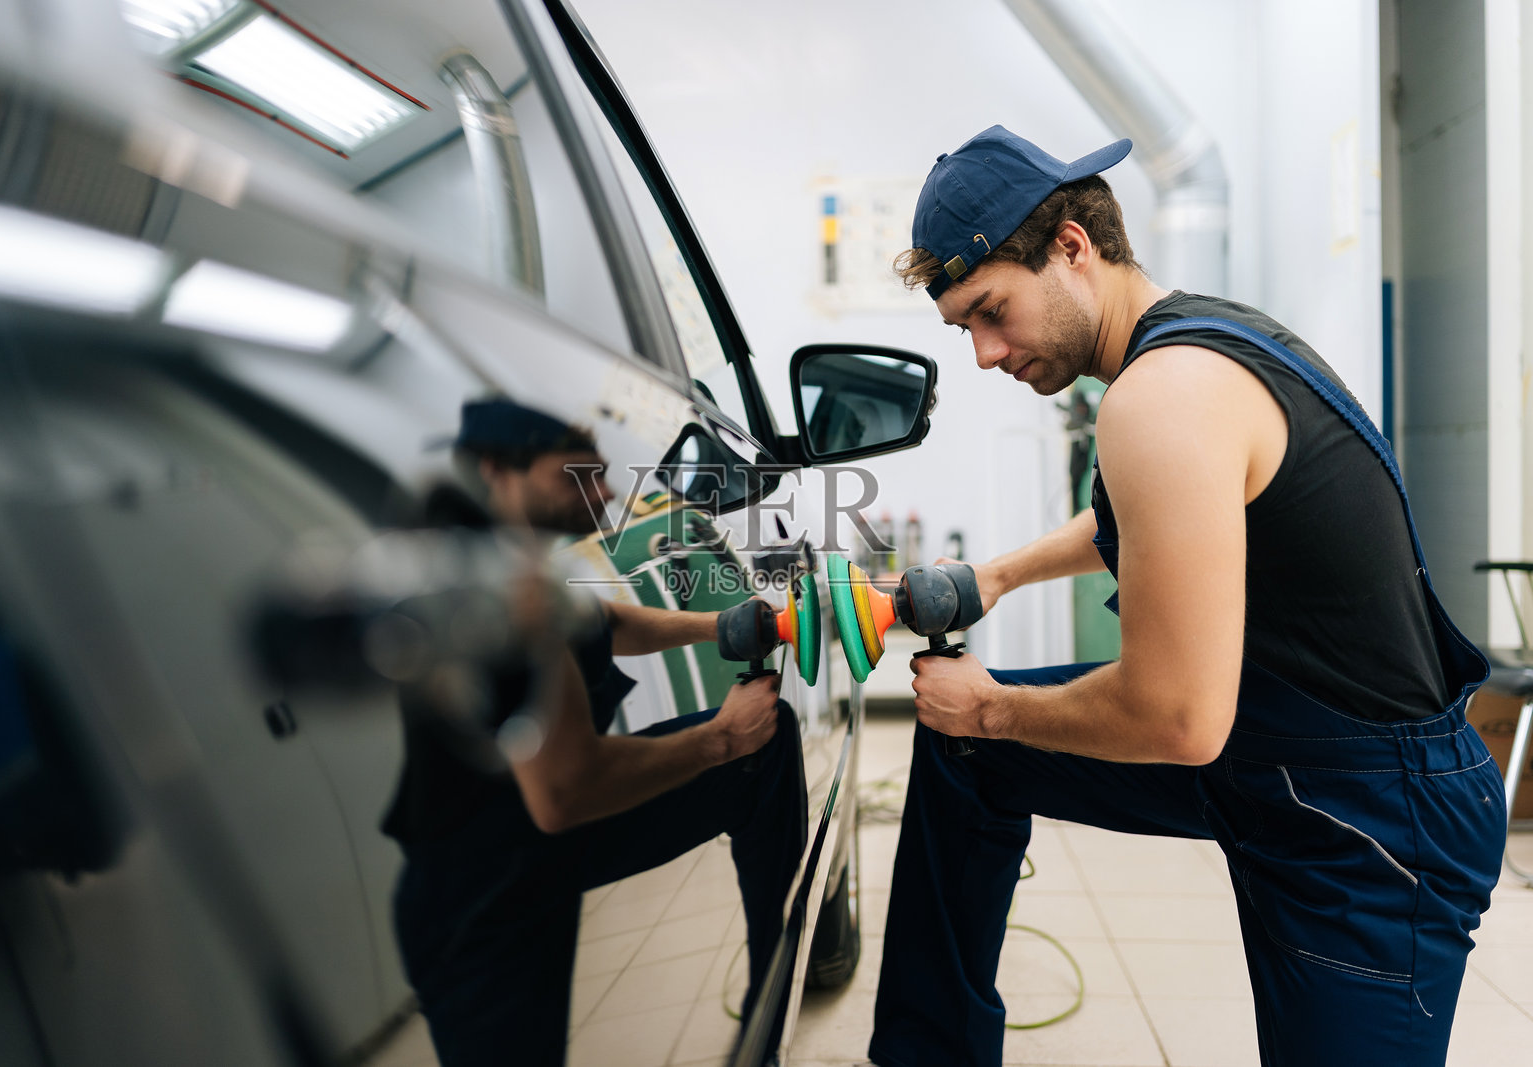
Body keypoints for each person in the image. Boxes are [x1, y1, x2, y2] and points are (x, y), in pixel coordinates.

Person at [867, 125, 1506, 1067]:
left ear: (1072, 250)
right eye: (963, 327)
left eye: (991, 311)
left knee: (981, 727)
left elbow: (1175, 720)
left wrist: (996, 706)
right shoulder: (1200, 343)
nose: (984, 354)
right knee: (962, 748)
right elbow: (1156, 520)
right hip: (1276, 750)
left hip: (1369, 818)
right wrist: (993, 577)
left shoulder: (1161, 396)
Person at [382, 398, 806, 1067]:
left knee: (769, 742)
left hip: (536, 850)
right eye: (576, 472)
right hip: (481, 899)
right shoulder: (484, 591)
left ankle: (771, 987)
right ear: (496, 470)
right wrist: (722, 737)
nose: (604, 490)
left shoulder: (521, 566)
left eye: (601, 471)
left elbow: (605, 622)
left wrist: (732, 625)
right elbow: (566, 791)